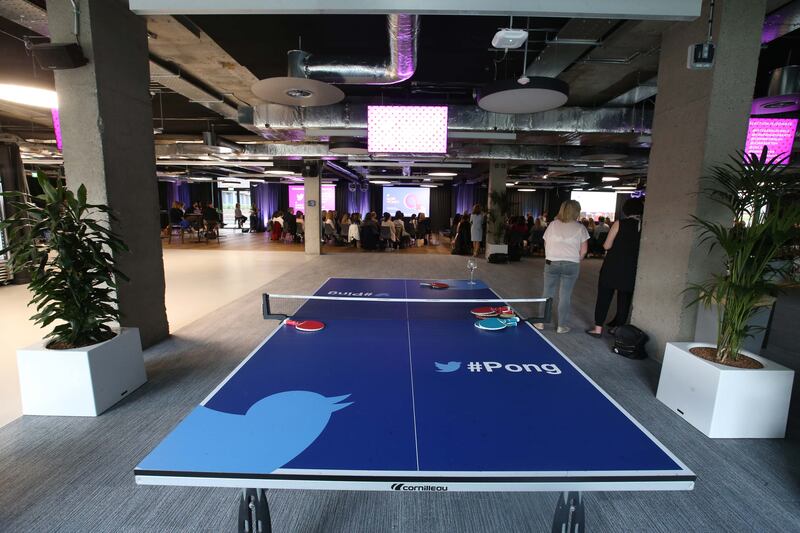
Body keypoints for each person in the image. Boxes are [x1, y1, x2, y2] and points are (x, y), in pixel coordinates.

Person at [586, 199, 644, 338]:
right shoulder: (644, 226)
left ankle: (598, 329)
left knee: (604, 297)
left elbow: (606, 246)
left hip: (613, 265)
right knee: (625, 299)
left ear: (626, 210)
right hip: (632, 268)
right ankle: (618, 329)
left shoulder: (620, 224)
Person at [534, 200, 589, 334]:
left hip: (552, 263)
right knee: (565, 295)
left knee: (547, 292)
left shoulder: (552, 225)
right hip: (571, 264)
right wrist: (575, 259)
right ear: (577, 211)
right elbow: (584, 251)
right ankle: (561, 326)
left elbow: (546, 244)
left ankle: (541, 322)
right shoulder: (580, 228)